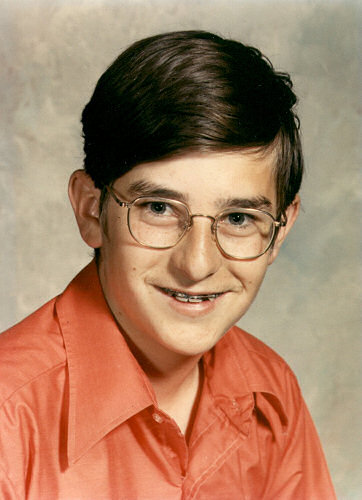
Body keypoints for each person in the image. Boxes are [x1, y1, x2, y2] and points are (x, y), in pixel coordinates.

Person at [0, 31, 336, 499]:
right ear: (90, 210)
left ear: (280, 229)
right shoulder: (8, 420)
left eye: (239, 218)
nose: (197, 264)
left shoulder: (272, 395)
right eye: (158, 208)